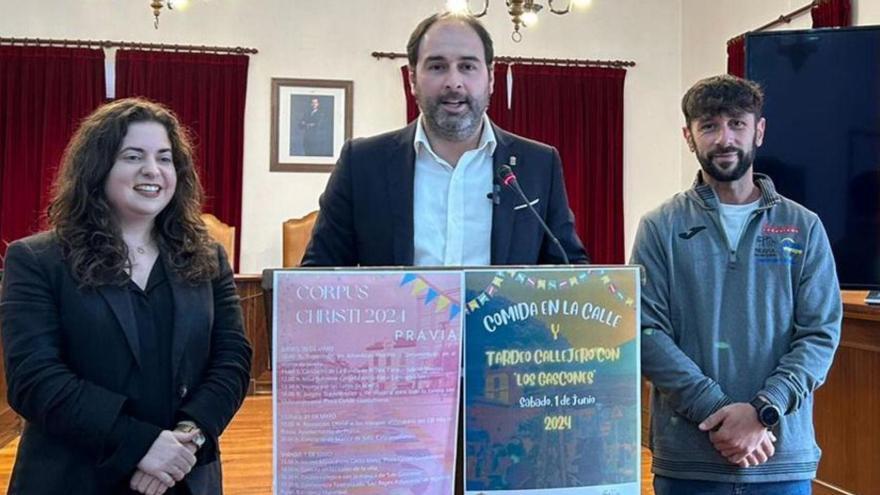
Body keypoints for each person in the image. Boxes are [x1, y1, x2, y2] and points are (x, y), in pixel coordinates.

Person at [0, 98, 252, 494]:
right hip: (76, 477)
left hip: (183, 475)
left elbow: (233, 358)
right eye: (133, 156)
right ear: (98, 167)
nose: (152, 170)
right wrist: (141, 445)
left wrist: (191, 435)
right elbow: (35, 380)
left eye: (165, 158)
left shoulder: (207, 256)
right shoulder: (36, 259)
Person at [630, 75, 842, 494]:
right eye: (708, 125)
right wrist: (720, 411)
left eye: (737, 124)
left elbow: (820, 334)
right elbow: (645, 331)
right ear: (688, 137)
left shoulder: (804, 227)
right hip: (688, 460)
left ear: (758, 131)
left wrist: (763, 411)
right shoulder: (659, 227)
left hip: (781, 458)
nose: (724, 137)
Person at [302, 12, 588, 267]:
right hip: (396, 327)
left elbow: (570, 268)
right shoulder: (362, 163)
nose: (454, 82)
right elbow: (317, 274)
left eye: (467, 66)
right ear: (413, 79)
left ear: (490, 78)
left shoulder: (538, 164)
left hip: (502, 326)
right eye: (437, 67)